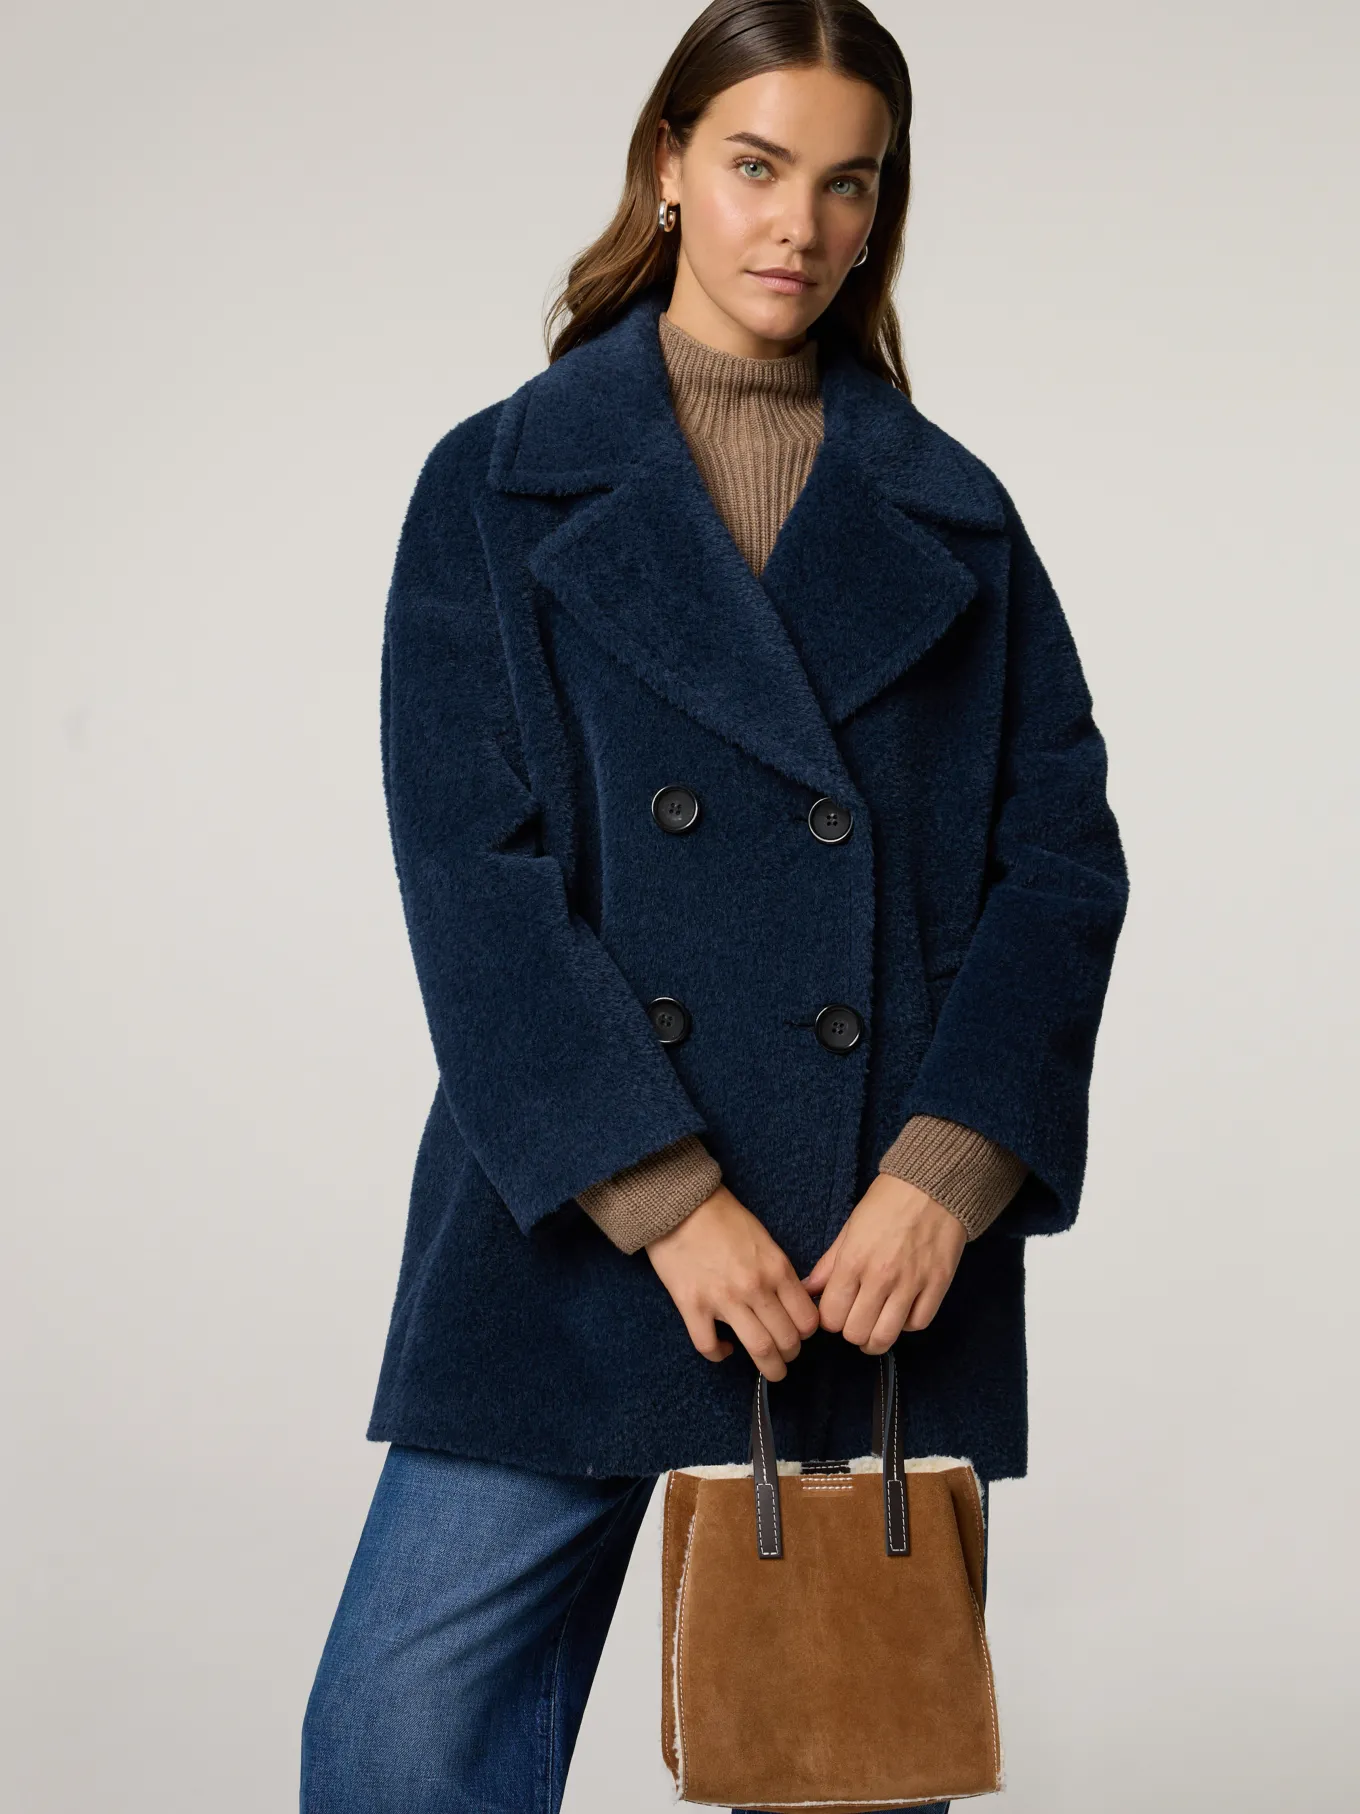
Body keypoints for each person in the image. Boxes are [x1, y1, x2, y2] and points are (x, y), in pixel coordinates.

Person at [299, 3, 1129, 1810]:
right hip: (579, 1230)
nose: (800, 226)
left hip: (857, 1267)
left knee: (843, 1766)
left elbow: (1061, 864)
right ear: (669, 162)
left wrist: (947, 1174)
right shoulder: (499, 483)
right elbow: (471, 874)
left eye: (850, 183)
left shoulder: (955, 515)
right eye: (758, 165)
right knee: (395, 1748)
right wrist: (663, 1196)